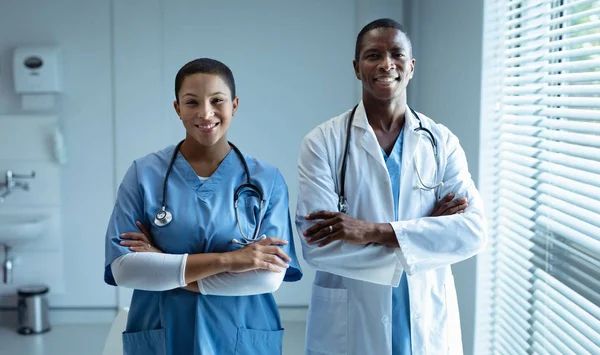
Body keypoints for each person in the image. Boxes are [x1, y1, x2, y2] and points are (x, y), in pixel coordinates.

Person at [296, 18, 487, 355]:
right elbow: (318, 247)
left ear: (411, 67)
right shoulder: (322, 143)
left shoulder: (441, 142)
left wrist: (371, 231)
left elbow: (473, 232)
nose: (386, 64)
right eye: (373, 55)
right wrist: (425, 234)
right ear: (357, 68)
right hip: (352, 324)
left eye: (397, 54)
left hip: (426, 321)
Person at [104, 58, 302, 355]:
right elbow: (125, 269)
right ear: (178, 108)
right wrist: (231, 261)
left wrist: (163, 263)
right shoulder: (144, 174)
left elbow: (267, 277)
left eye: (217, 100)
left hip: (240, 337)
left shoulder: (266, 179)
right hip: (163, 334)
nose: (205, 113)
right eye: (192, 102)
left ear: (234, 105)